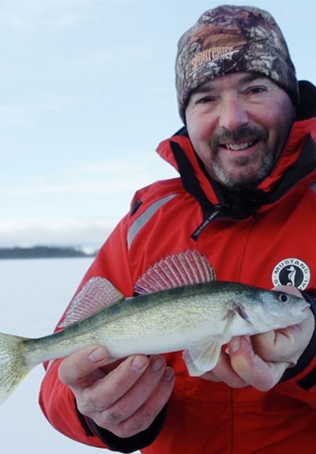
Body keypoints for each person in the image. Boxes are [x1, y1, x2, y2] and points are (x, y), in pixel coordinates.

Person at [39, 5, 316, 453]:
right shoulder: (147, 219)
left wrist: (311, 355)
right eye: (206, 98)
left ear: (292, 96)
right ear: (186, 116)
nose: (232, 119)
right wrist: (95, 408)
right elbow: (57, 377)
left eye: (255, 88)